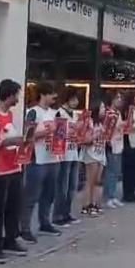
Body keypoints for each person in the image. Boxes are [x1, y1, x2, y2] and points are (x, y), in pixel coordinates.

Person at [0, 80, 28, 264]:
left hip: (13, 166)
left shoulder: (9, 115)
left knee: (13, 205)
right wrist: (17, 140)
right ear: (9, 95)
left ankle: (11, 238)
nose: (18, 98)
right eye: (16, 94)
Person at [20, 82, 61, 244]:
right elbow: (27, 136)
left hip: (53, 157)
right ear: (43, 95)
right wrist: (46, 132)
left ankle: (45, 221)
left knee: (49, 193)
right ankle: (25, 227)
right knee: (31, 194)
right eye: (51, 93)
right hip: (37, 158)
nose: (54, 97)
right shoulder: (33, 113)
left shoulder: (55, 113)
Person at [53, 87, 82, 225]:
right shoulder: (59, 113)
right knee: (62, 186)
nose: (76, 102)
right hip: (64, 154)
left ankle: (67, 212)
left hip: (74, 152)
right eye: (74, 99)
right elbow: (58, 135)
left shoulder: (75, 115)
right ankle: (58, 215)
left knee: (72, 186)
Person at [80, 101, 106, 217]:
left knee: (97, 180)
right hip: (91, 153)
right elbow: (86, 139)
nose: (104, 110)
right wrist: (95, 136)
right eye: (102, 107)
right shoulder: (89, 122)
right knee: (90, 180)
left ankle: (93, 203)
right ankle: (88, 204)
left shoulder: (102, 123)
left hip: (101, 153)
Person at [121, 92, 135, 204]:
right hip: (129, 141)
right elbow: (128, 128)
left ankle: (133, 190)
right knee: (129, 168)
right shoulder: (128, 111)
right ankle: (127, 193)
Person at [104, 91, 125, 207]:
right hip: (111, 144)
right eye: (117, 98)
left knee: (116, 171)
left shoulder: (118, 113)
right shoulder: (109, 113)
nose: (119, 100)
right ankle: (109, 196)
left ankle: (113, 195)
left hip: (119, 143)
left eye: (120, 98)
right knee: (111, 171)